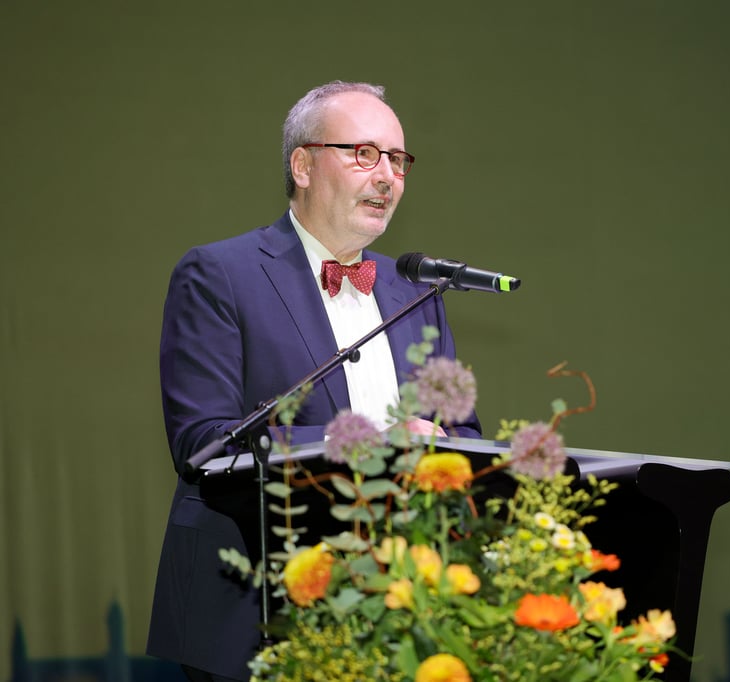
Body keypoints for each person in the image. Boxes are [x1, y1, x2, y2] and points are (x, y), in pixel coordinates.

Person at [146, 81, 482, 681]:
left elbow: (462, 439)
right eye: (364, 154)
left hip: (399, 618)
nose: (387, 176)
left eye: (399, 161)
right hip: (260, 611)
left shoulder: (417, 296)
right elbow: (203, 445)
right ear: (302, 165)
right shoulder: (220, 275)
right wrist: (370, 446)